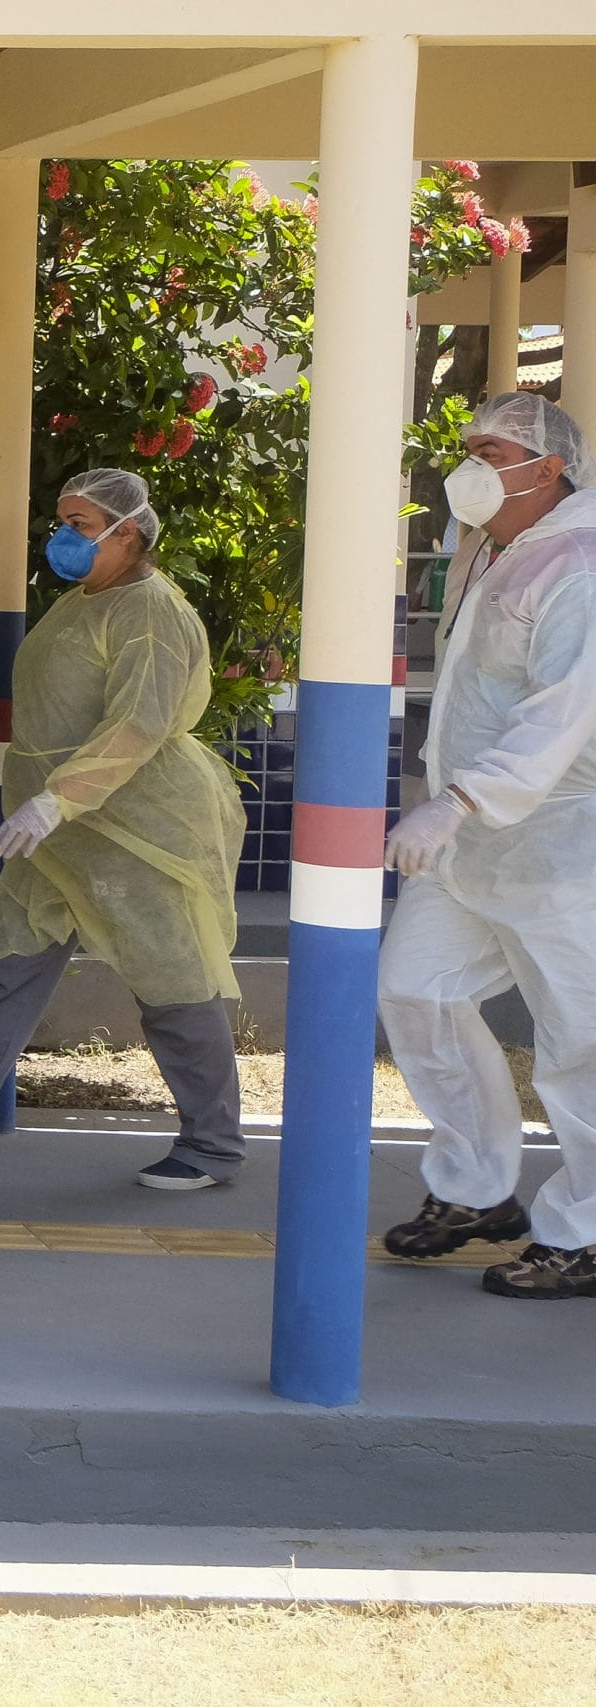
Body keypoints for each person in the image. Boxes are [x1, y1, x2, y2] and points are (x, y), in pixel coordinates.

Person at [0, 468, 248, 1190]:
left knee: (172, 977)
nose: (63, 537)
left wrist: (56, 798)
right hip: (56, 831)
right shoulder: (83, 603)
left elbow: (140, 721)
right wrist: (47, 808)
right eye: (63, 521)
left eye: (79, 523)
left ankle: (214, 1143)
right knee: (6, 965)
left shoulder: (150, 611)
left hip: (134, 828)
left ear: (127, 532)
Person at [378, 392, 596, 1302]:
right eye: (468, 446)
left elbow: (560, 715)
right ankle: (478, 1189)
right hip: (470, 844)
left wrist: (457, 799)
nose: (469, 463)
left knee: (579, 1043)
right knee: (415, 990)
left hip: (560, 847)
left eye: (491, 448)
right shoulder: (495, 548)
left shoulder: (581, 565)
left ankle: (584, 1233)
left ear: (546, 469)